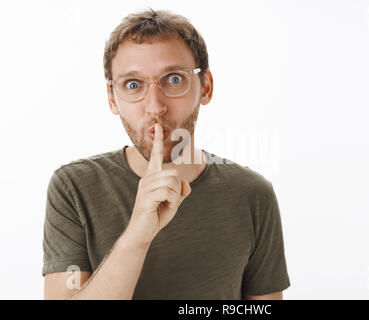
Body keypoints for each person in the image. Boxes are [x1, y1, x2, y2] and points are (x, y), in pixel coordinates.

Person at [42, 7, 290, 300]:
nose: (155, 106)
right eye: (133, 85)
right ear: (112, 98)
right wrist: (137, 235)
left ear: (206, 86)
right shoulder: (73, 188)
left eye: (174, 79)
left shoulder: (253, 195)